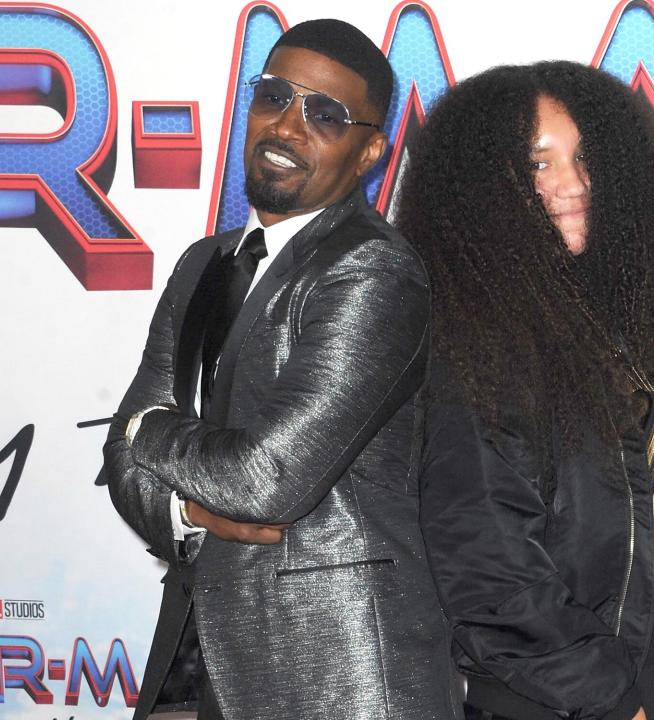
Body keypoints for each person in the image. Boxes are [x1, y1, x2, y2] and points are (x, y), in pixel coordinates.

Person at [104, 19, 459, 720]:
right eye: (274, 97)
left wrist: (145, 430)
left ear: (369, 153)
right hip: (192, 644)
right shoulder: (203, 265)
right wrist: (186, 510)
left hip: (335, 670)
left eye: (325, 114)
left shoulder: (374, 270)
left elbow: (267, 480)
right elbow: (122, 467)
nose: (288, 127)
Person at [396, 61, 654, 720]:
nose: (572, 183)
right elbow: (489, 575)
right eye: (538, 164)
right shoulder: (473, 348)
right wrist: (612, 700)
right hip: (575, 701)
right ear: (482, 189)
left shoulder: (612, 320)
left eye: (586, 157)